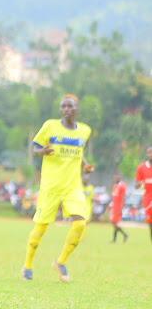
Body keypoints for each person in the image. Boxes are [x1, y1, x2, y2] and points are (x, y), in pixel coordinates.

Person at [21, 94, 94, 282]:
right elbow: (35, 148)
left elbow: (79, 151)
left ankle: (60, 261)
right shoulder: (50, 126)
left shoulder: (85, 131)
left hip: (73, 187)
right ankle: (27, 265)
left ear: (77, 109)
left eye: (70, 106)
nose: (66, 109)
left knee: (80, 223)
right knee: (41, 228)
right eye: (63, 106)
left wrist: (84, 164)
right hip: (50, 186)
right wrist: (42, 151)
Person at [135, 145, 152, 243]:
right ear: (146, 154)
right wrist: (138, 184)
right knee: (150, 223)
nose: (151, 154)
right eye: (149, 152)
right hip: (148, 200)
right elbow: (136, 183)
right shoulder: (141, 167)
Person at [108, 174, 128, 243]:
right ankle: (114, 239)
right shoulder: (114, 186)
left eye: (118, 178)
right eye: (115, 178)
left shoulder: (122, 186)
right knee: (114, 223)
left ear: (120, 178)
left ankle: (125, 234)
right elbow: (113, 198)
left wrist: (121, 209)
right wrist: (110, 206)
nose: (117, 179)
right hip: (114, 207)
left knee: (114, 223)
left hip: (118, 208)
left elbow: (123, 198)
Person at [80, 175, 94, 241]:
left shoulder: (91, 188)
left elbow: (92, 199)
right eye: (84, 179)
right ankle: (78, 236)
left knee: (85, 223)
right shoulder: (80, 187)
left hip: (88, 208)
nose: (85, 181)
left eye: (86, 179)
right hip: (80, 207)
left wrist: (92, 208)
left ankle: (82, 238)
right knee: (79, 223)